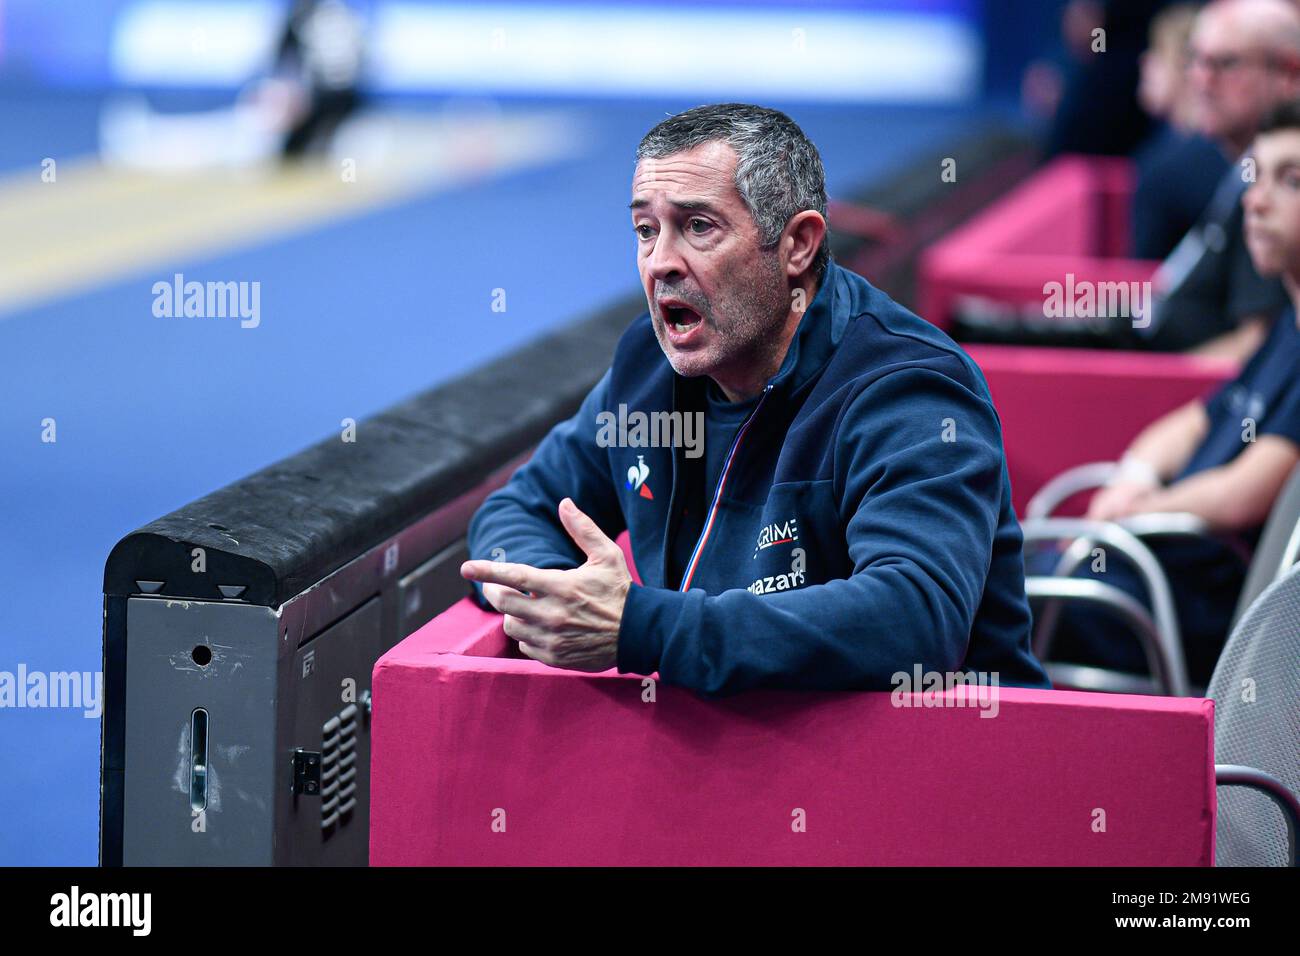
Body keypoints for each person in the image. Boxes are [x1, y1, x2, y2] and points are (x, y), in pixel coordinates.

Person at [459, 104, 1050, 697]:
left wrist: (642, 628)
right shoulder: (648, 368)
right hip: (732, 765)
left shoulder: (906, 386)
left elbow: (914, 618)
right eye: (646, 229)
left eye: (698, 227)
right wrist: (564, 601)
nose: (660, 261)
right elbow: (518, 510)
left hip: (939, 768)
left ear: (797, 245)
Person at [1048, 98, 1300, 686]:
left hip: (1186, 611)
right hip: (1145, 574)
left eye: (1289, 181)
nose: (1254, 202)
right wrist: (1134, 474)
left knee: (975, 606)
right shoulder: (1287, 328)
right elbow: (1192, 422)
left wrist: (1132, 516)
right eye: (1254, 177)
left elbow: (1247, 492)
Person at [1141, 0, 1300, 358]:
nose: (1201, 80)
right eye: (1195, 60)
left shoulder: (1273, 192)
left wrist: (1147, 388)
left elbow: (1257, 346)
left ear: (1290, 73)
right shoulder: (1237, 175)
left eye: (1225, 64)